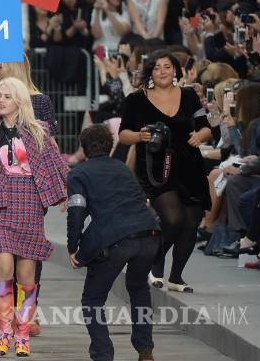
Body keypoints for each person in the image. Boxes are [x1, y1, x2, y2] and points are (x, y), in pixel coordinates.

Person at [0, 77, 69, 358]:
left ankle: (22, 334)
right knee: (4, 268)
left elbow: (56, 165)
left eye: (7, 96)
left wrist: (68, 194)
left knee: (26, 276)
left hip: (29, 205)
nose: (1, 101)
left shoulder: (38, 131)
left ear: (19, 100)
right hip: (0, 207)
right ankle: (5, 333)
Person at [117, 51, 211, 292]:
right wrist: (140, 136)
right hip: (154, 168)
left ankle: (176, 277)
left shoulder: (189, 95)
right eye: (157, 67)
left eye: (167, 67)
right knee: (173, 218)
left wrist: (201, 134)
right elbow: (123, 135)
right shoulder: (136, 99)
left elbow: (206, 128)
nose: (162, 71)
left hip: (189, 165)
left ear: (175, 70)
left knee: (191, 223)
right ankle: (155, 262)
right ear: (150, 72)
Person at [68, 125, 161, 361]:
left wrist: (74, 247)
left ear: (84, 147)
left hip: (117, 239)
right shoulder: (122, 168)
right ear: (110, 146)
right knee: (139, 288)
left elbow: (77, 210)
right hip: (149, 233)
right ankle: (146, 351)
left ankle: (103, 354)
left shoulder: (79, 173)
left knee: (92, 299)